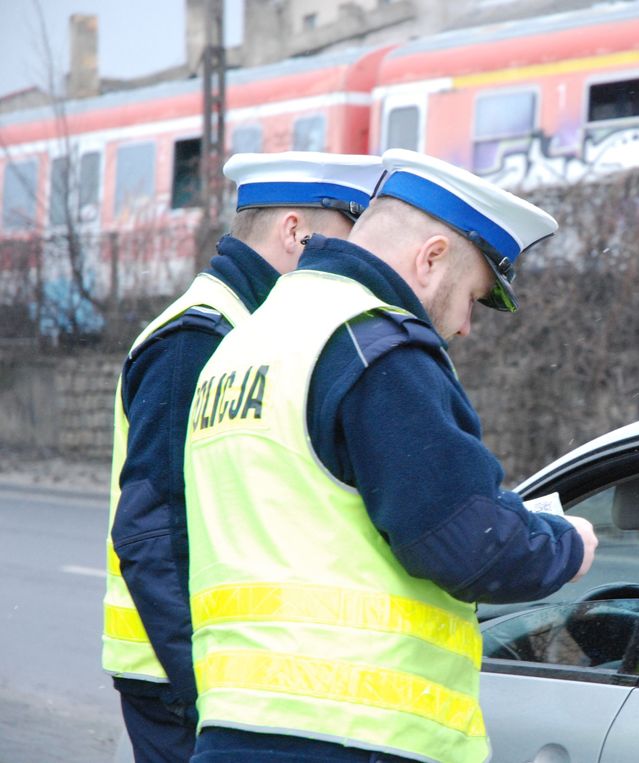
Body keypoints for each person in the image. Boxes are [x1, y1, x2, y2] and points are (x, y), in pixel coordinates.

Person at [183, 148, 598, 763]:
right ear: (431, 260)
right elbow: (466, 544)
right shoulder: (376, 347)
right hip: (356, 734)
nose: (463, 326)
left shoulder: (244, 344)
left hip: (234, 726)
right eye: (473, 296)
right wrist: (567, 544)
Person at [102, 151, 387, 763]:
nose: (352, 264)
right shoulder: (198, 338)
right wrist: (207, 687)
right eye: (343, 241)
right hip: (184, 682)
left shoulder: (253, 329)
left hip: (218, 677)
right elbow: (152, 532)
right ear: (294, 233)